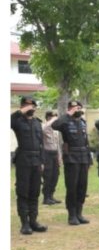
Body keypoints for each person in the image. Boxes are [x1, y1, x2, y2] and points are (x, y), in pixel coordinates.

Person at [52, 99, 92, 225]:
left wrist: (89, 159)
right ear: (69, 109)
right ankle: (72, 215)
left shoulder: (82, 122)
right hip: (72, 158)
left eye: (79, 108)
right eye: (74, 108)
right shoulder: (65, 122)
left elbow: (86, 141)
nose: (77, 110)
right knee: (72, 187)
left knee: (82, 186)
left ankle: (79, 213)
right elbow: (55, 125)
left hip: (83, 157)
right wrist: (68, 114)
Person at [11, 97, 47, 235]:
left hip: (37, 160)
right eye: (27, 106)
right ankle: (24, 223)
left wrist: (42, 161)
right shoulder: (17, 121)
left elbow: (41, 143)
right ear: (22, 107)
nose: (31, 108)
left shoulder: (38, 123)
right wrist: (20, 112)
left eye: (32, 106)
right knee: (23, 191)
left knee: (35, 191)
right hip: (24, 160)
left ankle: (33, 221)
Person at [41, 110, 62, 205]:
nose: (54, 120)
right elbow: (44, 128)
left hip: (54, 154)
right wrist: (52, 120)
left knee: (55, 176)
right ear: (47, 118)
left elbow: (57, 144)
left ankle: (51, 196)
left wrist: (59, 157)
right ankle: (46, 197)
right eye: (51, 118)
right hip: (47, 154)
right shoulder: (44, 126)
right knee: (48, 176)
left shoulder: (55, 130)